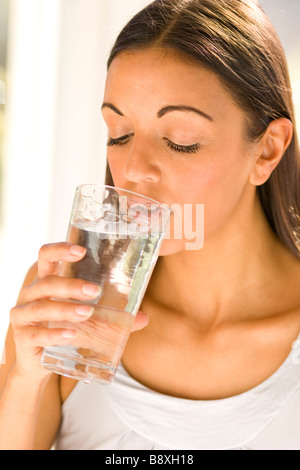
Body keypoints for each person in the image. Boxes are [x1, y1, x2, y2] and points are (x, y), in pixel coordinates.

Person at [1, 0, 300, 450]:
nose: (135, 169)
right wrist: (23, 376)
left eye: (181, 141)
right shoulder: (73, 310)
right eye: (119, 134)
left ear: (267, 151)